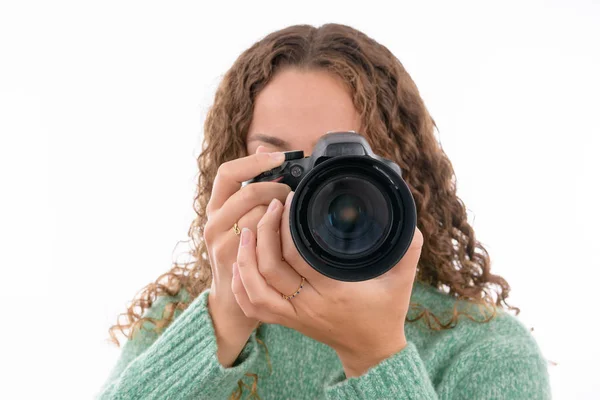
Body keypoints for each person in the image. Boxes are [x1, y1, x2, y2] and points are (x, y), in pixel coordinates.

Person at [96, 23, 551, 400]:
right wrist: (223, 321)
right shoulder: (179, 320)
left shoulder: (483, 351)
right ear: (234, 172)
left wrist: (377, 356)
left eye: (342, 168)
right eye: (285, 163)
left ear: (399, 177)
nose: (315, 192)